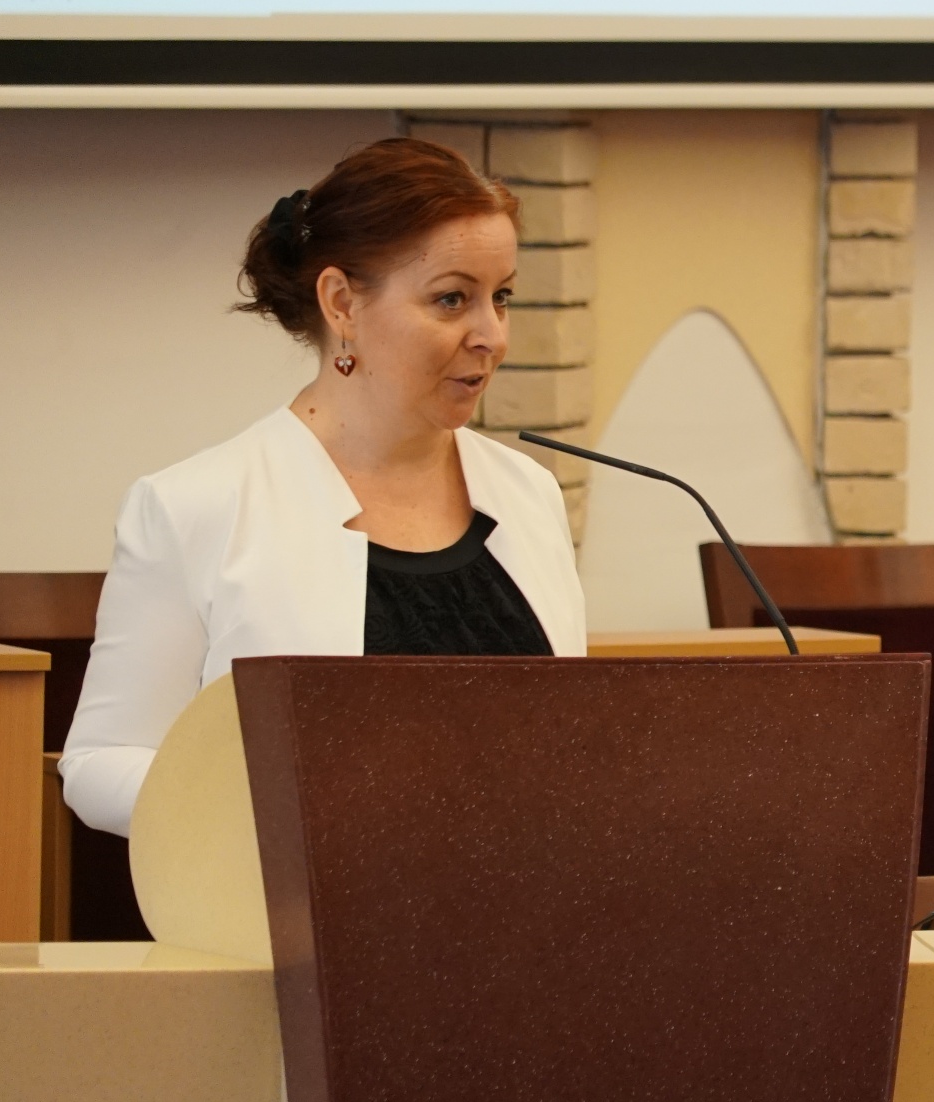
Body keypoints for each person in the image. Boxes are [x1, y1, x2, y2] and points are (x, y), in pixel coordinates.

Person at [60, 138, 587, 837]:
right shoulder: (195, 507)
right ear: (342, 303)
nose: (491, 335)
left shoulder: (528, 493)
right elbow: (98, 764)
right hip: (295, 899)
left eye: (502, 297)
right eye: (452, 299)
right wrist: (280, 803)